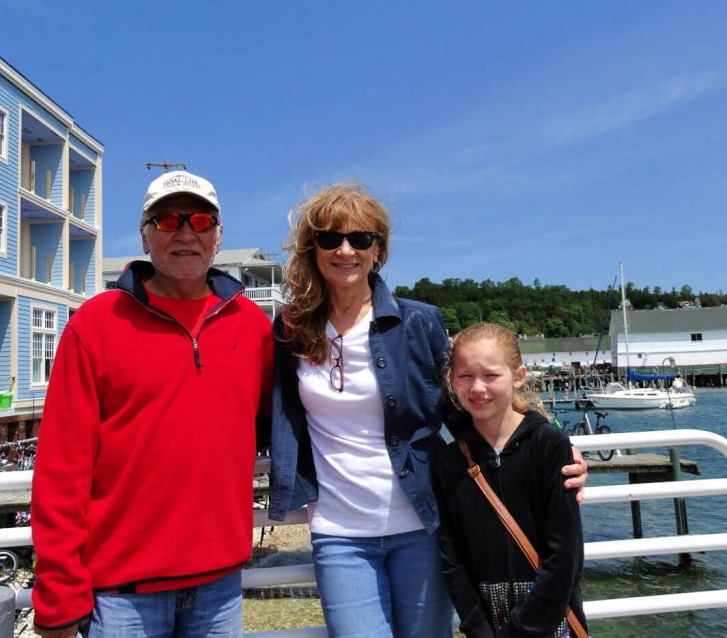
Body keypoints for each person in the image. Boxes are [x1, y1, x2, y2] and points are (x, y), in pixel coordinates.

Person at [267, 183, 587, 638]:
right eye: (330, 238)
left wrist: (555, 449)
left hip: (420, 524)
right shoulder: (292, 329)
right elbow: (271, 412)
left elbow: (466, 407)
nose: (345, 250)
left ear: (378, 249)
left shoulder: (418, 322)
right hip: (339, 530)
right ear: (312, 246)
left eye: (361, 239)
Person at [31, 170, 273, 638]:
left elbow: (284, 421)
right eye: (167, 221)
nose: (185, 233)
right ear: (145, 235)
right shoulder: (94, 325)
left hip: (220, 582)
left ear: (218, 237)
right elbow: (62, 468)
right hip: (121, 591)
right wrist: (59, 594)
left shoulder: (251, 324)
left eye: (201, 220)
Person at [432, 323, 587, 638]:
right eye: (465, 376)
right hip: (486, 618)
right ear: (451, 381)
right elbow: (451, 557)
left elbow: (566, 554)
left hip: (549, 614)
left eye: (491, 376)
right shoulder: (450, 460)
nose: (477, 388)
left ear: (518, 376)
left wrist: (521, 629)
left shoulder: (548, 445)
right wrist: (476, 626)